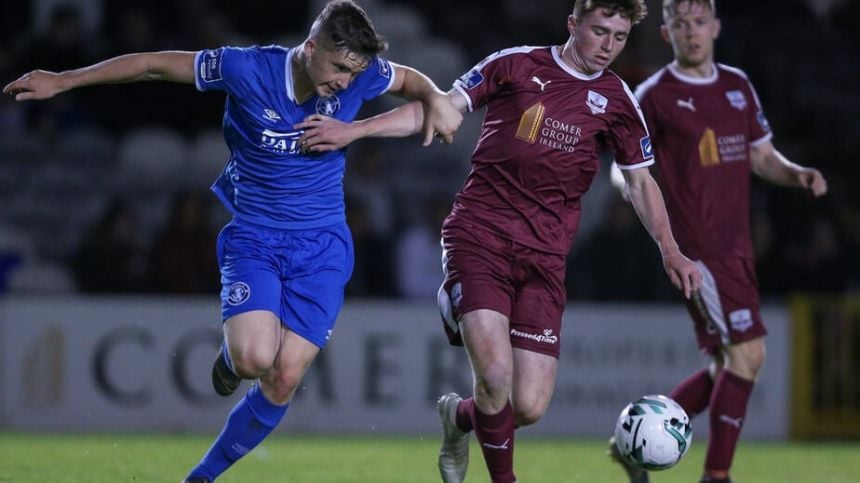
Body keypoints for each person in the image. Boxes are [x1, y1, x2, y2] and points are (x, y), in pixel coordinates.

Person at [4, 1, 462, 481]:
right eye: (339, 69)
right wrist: (63, 79)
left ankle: (200, 477)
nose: (345, 83)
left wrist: (404, 108)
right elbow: (154, 65)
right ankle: (230, 358)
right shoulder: (247, 68)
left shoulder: (358, 76)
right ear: (311, 48)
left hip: (323, 245)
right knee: (253, 360)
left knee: (284, 378)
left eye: (354, 74)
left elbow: (410, 80)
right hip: (256, 238)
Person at [297, 1, 702, 481]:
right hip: (479, 237)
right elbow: (439, 110)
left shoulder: (617, 101)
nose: (608, 46)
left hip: (545, 258)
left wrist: (670, 249)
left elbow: (639, 182)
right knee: (493, 376)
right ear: (573, 24)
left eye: (619, 37)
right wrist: (355, 130)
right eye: (599, 32)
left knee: (525, 406)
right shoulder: (515, 65)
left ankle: (459, 417)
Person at [606, 2, 828, 483]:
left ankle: (631, 442)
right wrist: (633, 189)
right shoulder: (655, 95)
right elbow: (623, 168)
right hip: (697, 250)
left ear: (716, 28)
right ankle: (717, 475)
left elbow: (762, 156)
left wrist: (795, 174)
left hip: (736, 245)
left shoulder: (737, 86)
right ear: (666, 33)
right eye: (680, 25)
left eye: (699, 22)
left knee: (727, 365)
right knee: (749, 356)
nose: (692, 33)